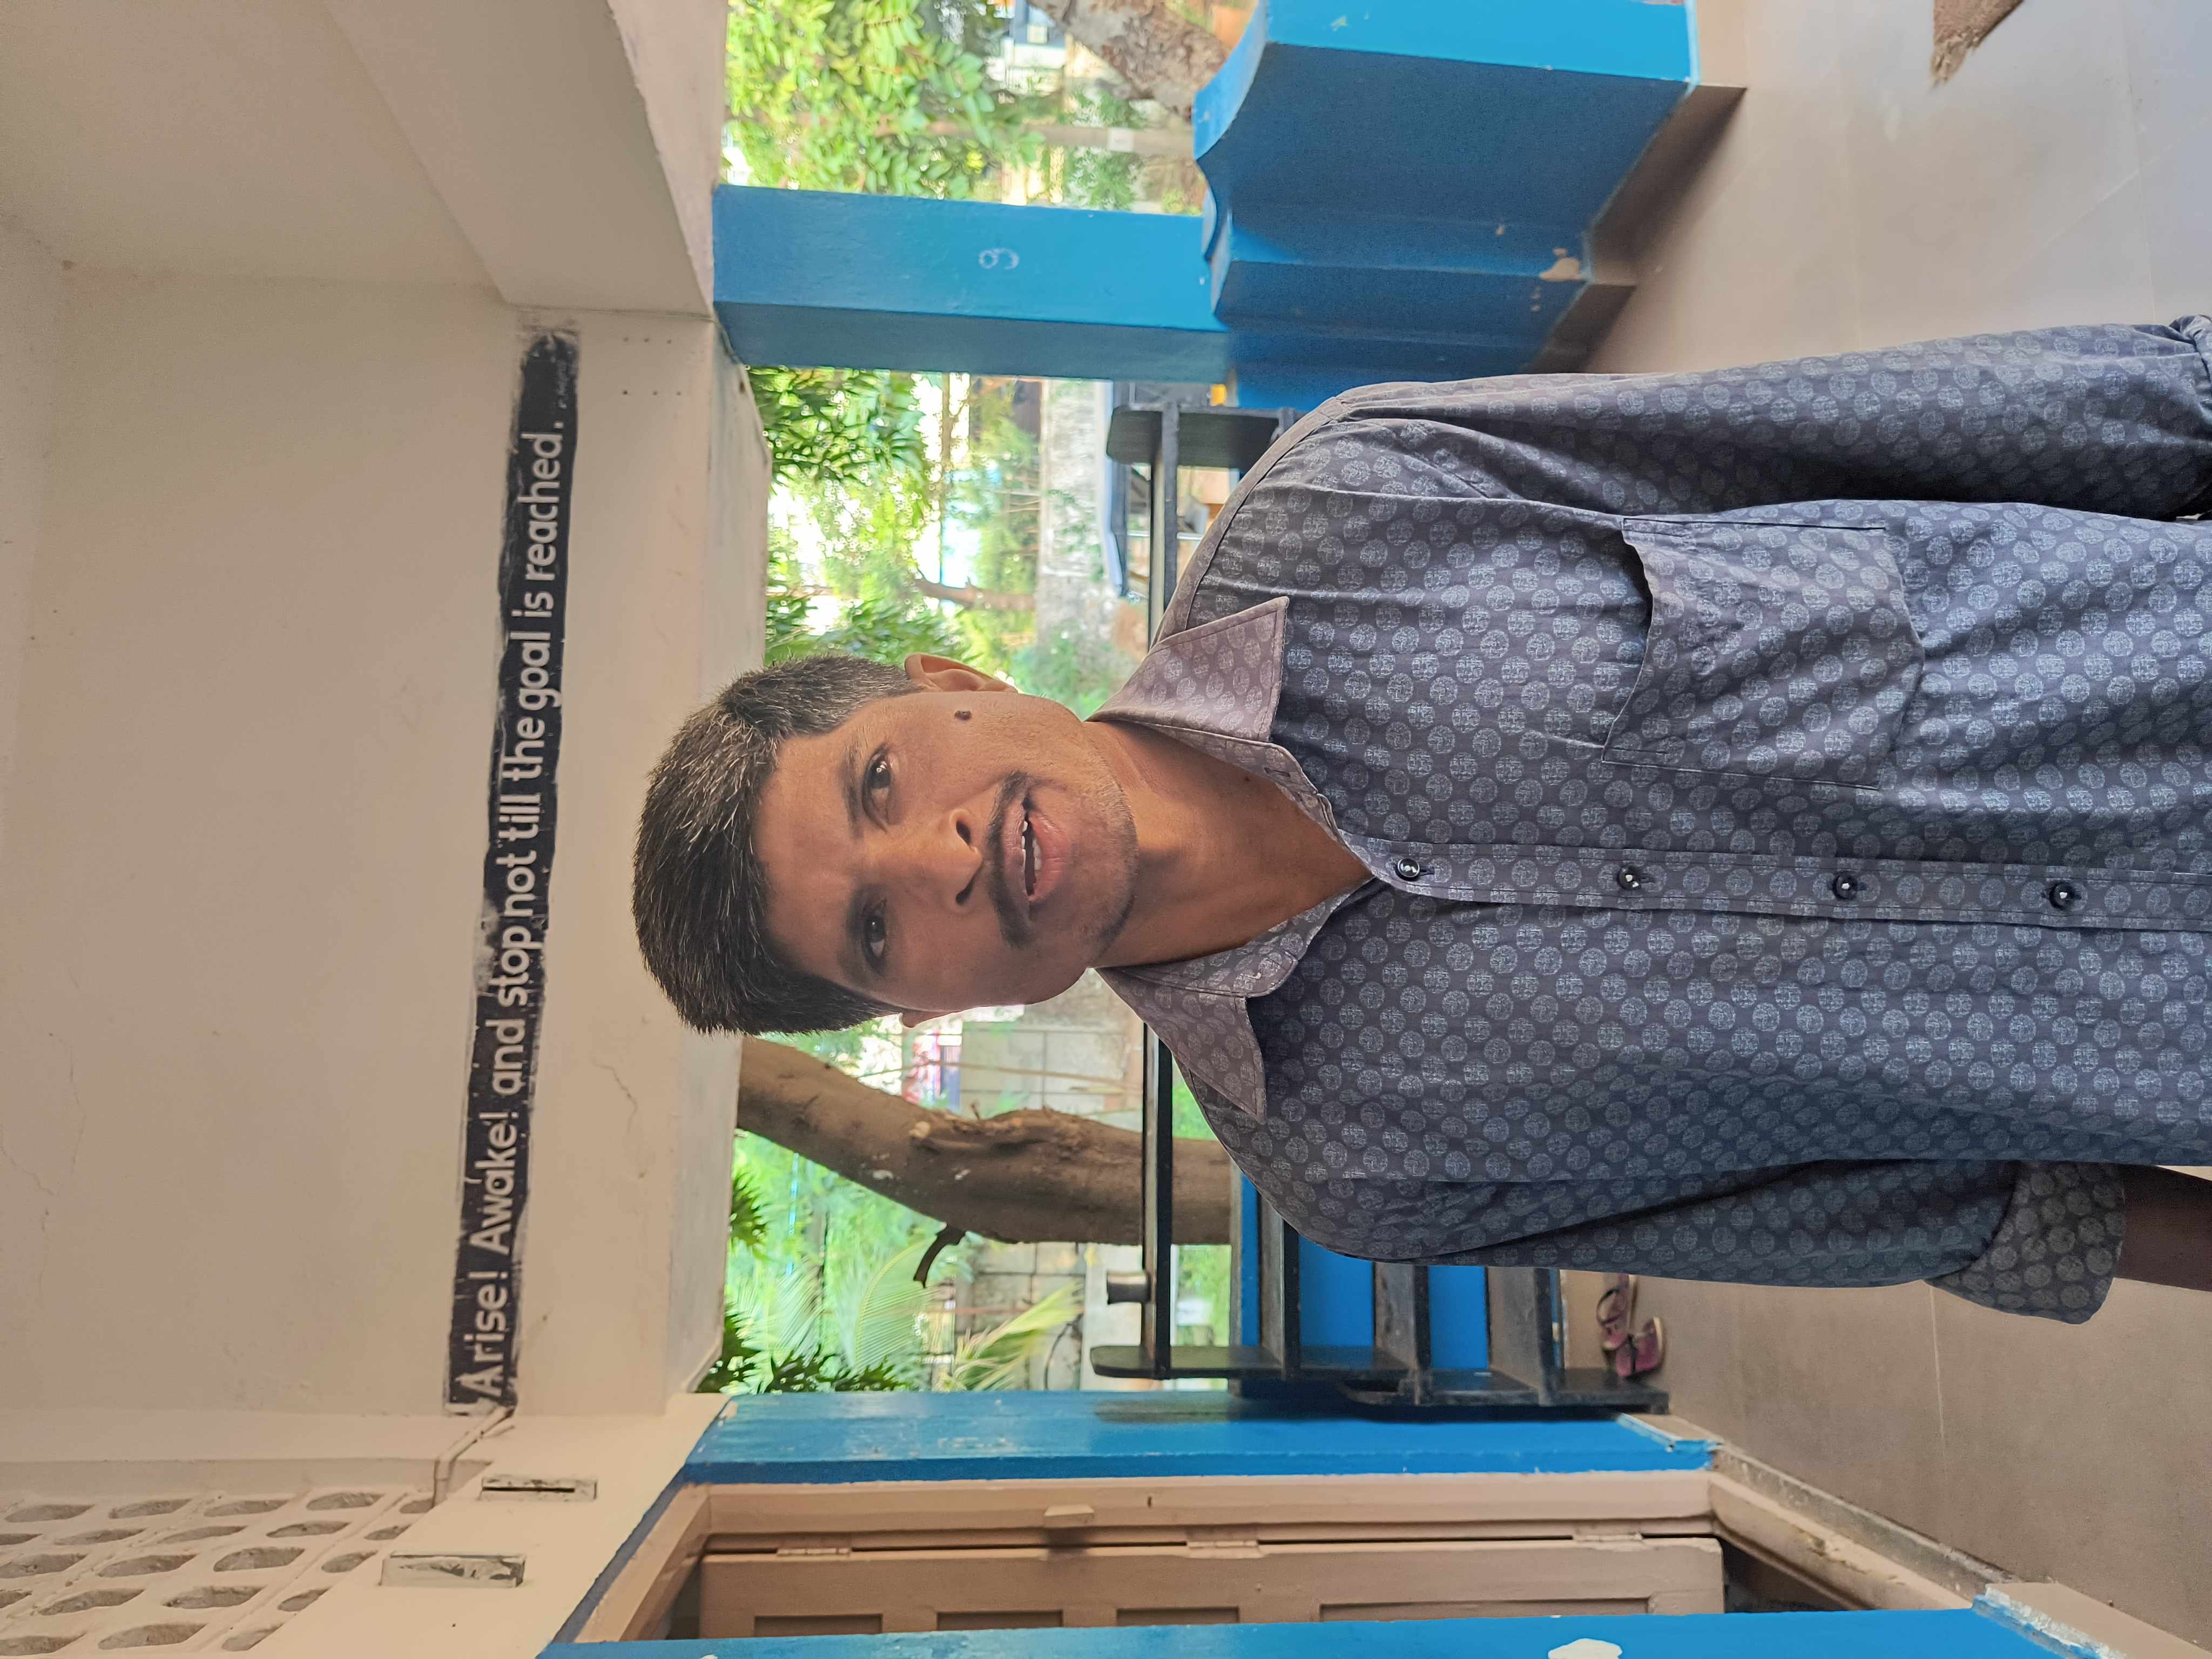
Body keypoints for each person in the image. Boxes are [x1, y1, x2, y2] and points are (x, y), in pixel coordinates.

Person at [634, 320, 2212, 1324]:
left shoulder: (1357, 501)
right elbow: (1934, 1213)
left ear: (951, 683)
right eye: (873, 928)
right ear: (925, 1009)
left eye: (881, 784)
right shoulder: (1361, 1169)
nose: (939, 856)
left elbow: (1868, 426)